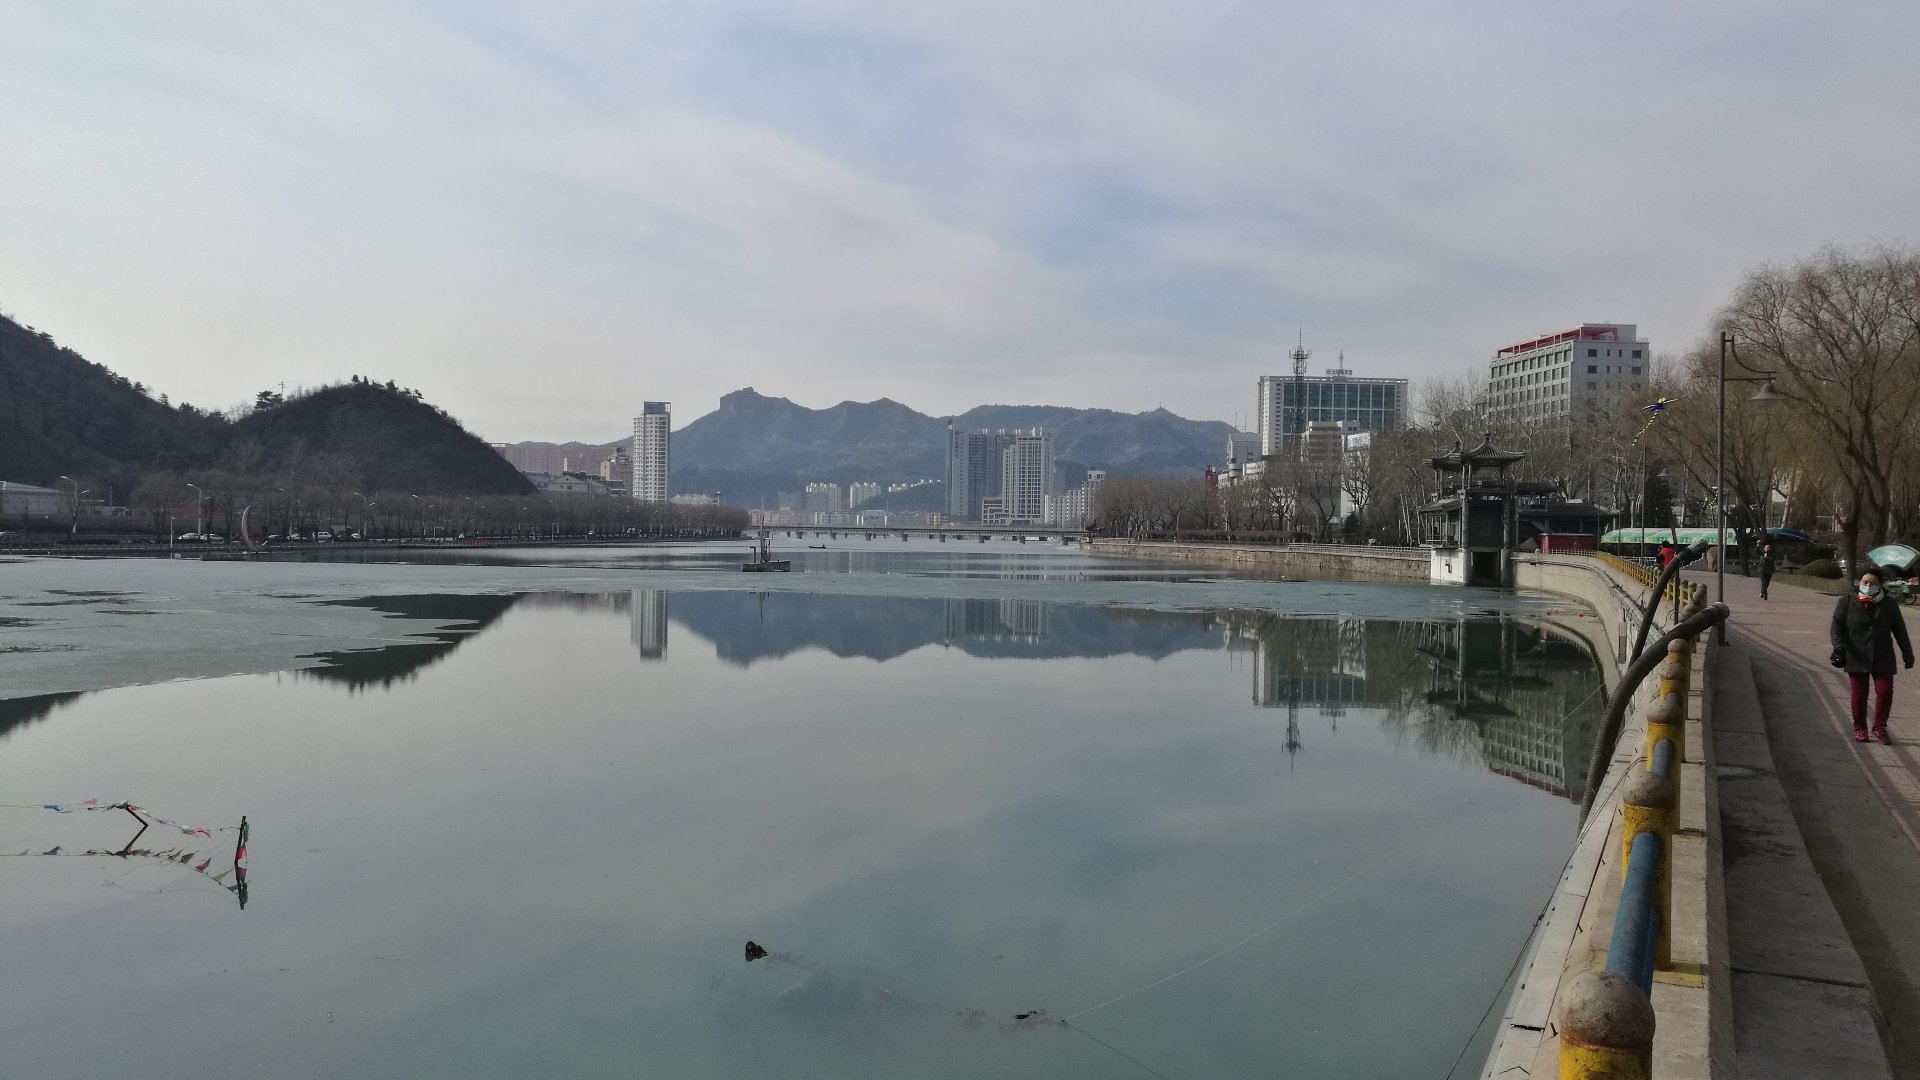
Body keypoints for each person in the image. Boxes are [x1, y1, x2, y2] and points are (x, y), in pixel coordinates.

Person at [1830, 568, 1913, 744]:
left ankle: (1879, 727)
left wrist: (1908, 654)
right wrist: (1838, 647)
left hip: (1883, 655)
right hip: (1857, 654)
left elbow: (1900, 630)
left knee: (1885, 692)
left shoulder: (1889, 604)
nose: (1868, 586)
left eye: (1873, 583)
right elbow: (1836, 626)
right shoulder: (1846, 601)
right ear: (1859, 583)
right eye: (1865, 582)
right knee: (1859, 694)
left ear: (1880, 585)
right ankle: (1860, 728)